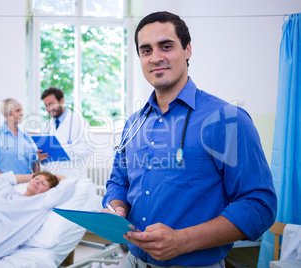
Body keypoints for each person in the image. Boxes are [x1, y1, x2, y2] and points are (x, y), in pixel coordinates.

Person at [102, 11, 277, 267]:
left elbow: (259, 204)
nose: (156, 57)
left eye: (166, 46)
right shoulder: (133, 124)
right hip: (133, 261)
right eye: (146, 50)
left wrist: (182, 240)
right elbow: (119, 181)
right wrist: (116, 208)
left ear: (187, 49)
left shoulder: (227, 120)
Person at [38, 87, 92, 179]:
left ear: (61, 101)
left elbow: (89, 147)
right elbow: (43, 152)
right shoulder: (46, 125)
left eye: (51, 104)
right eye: (46, 105)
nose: (48, 109)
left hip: (73, 176)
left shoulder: (80, 122)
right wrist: (40, 157)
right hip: (51, 178)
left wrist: (64, 150)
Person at [0, 98, 39, 186]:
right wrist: (3, 182)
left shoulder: (26, 136)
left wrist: (37, 178)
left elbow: (34, 163)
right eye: (17, 111)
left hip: (26, 187)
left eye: (21, 110)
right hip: (4, 187)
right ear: (7, 115)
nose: (21, 114)